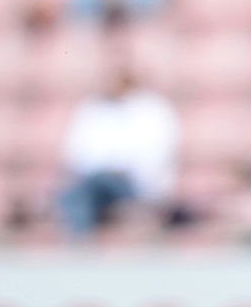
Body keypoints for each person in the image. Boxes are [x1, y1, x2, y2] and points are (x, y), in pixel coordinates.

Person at [58, 65, 180, 236]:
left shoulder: (152, 109)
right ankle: (80, 245)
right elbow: (77, 152)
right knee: (72, 196)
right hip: (95, 181)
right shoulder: (93, 108)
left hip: (135, 183)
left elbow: (157, 155)